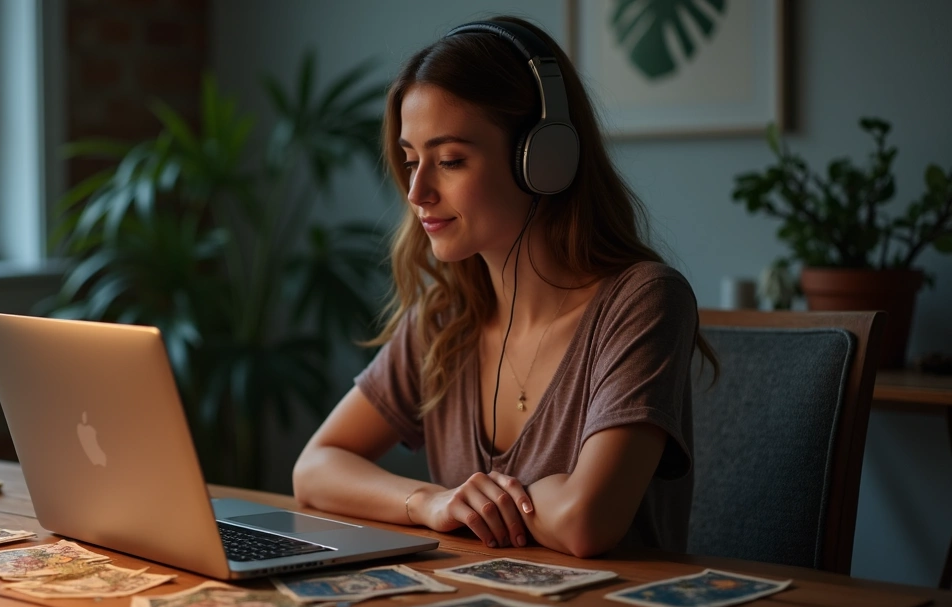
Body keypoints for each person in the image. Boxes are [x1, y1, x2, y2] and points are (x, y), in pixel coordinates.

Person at [291, 15, 718, 558]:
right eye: (409, 160)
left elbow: (587, 522)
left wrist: (498, 505)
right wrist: (430, 502)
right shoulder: (445, 316)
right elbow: (315, 468)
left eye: (449, 160)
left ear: (543, 159)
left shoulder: (644, 300)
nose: (417, 190)